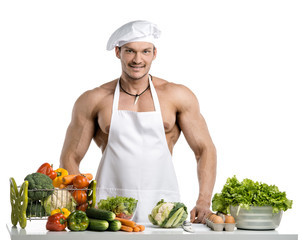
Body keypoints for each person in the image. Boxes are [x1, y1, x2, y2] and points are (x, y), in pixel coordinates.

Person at [59, 20, 217, 223]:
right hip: (109, 209)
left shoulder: (178, 95)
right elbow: (70, 157)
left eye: (145, 51)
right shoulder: (93, 99)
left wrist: (204, 201)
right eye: (130, 51)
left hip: (164, 208)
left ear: (154, 53)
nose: (137, 59)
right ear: (118, 52)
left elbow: (205, 149)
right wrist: (84, 202)